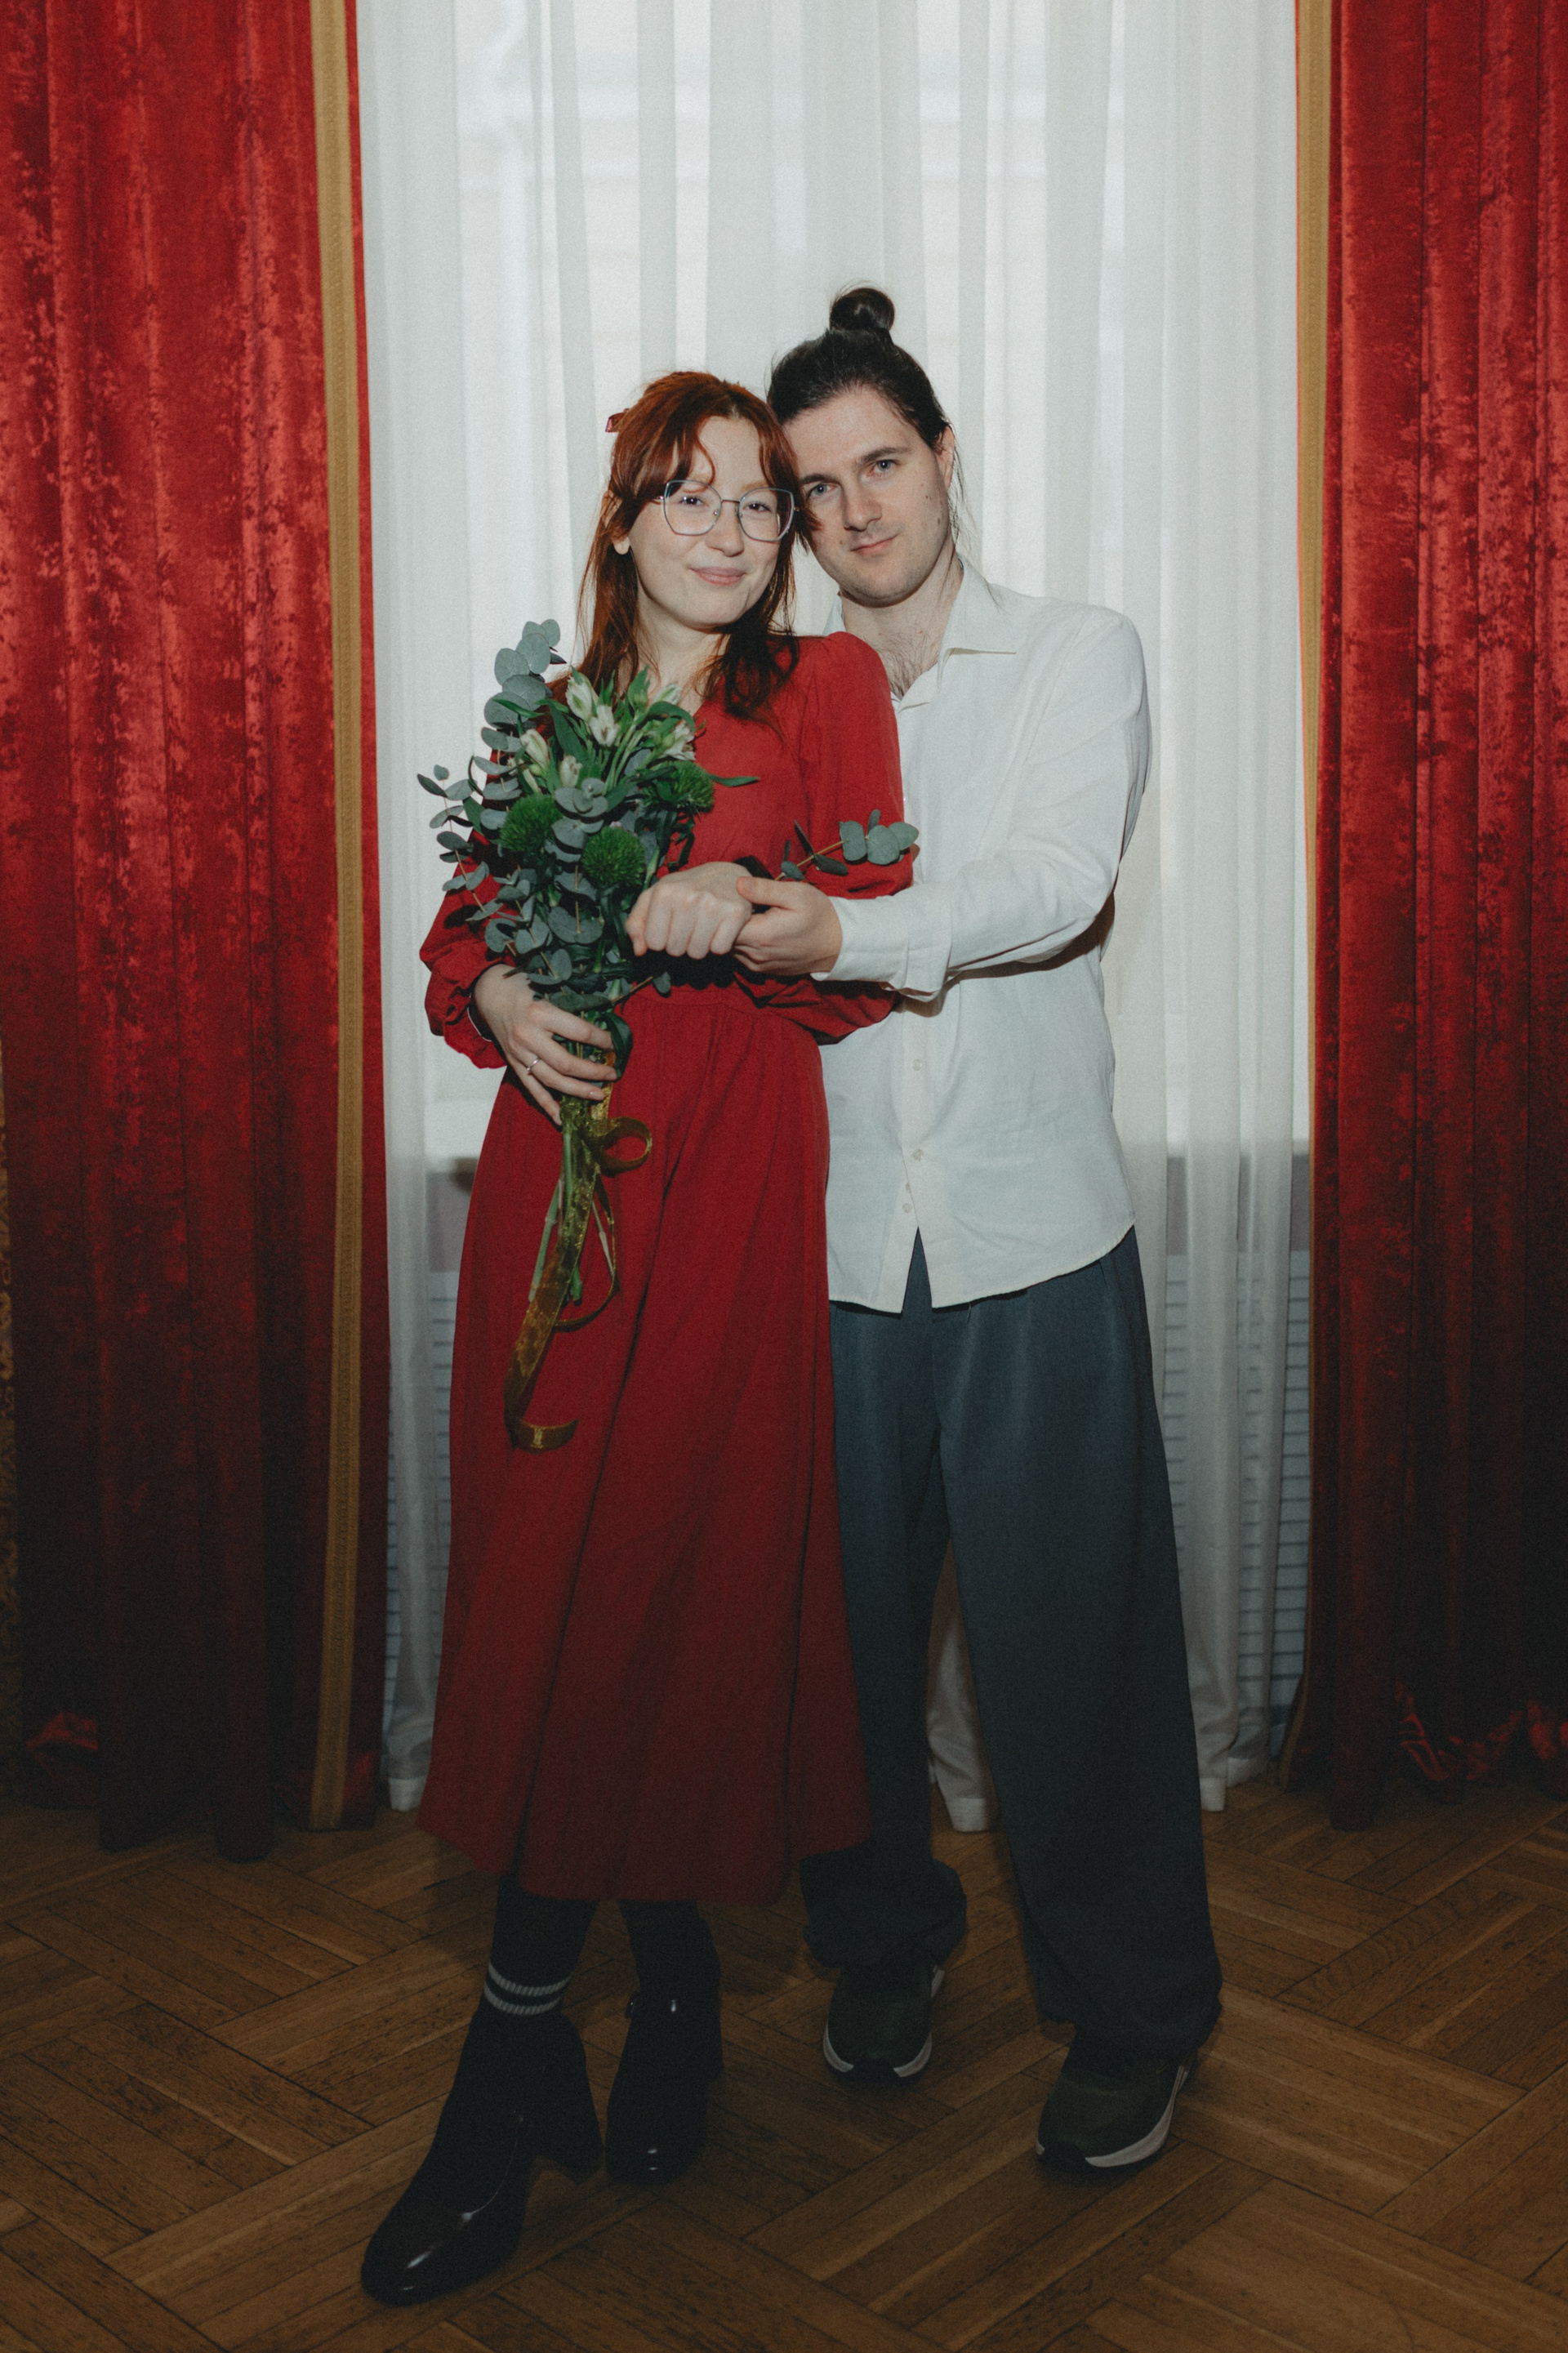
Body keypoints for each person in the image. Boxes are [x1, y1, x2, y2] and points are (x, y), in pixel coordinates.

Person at [362, 371, 909, 2306]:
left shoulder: (824, 689)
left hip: (732, 1181)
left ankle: (509, 2070)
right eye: (691, 495)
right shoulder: (557, 713)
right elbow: (462, 938)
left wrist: (744, 900)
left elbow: (871, 907)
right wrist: (504, 996)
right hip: (565, 1189)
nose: (731, 531)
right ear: (623, 521)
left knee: (666, 1574)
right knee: (558, 1583)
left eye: (761, 503)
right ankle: (666, 1982)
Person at [730, 288, 1223, 2177]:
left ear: (945, 457)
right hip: (836, 1254)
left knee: (1076, 1655)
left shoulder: (1077, 653)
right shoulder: (765, 701)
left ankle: (1137, 2012)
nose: (856, 510)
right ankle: (883, 1943)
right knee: (843, 1654)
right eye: (817, 487)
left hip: (1033, 1246)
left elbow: (1054, 882)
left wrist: (845, 931)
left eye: (882, 463)